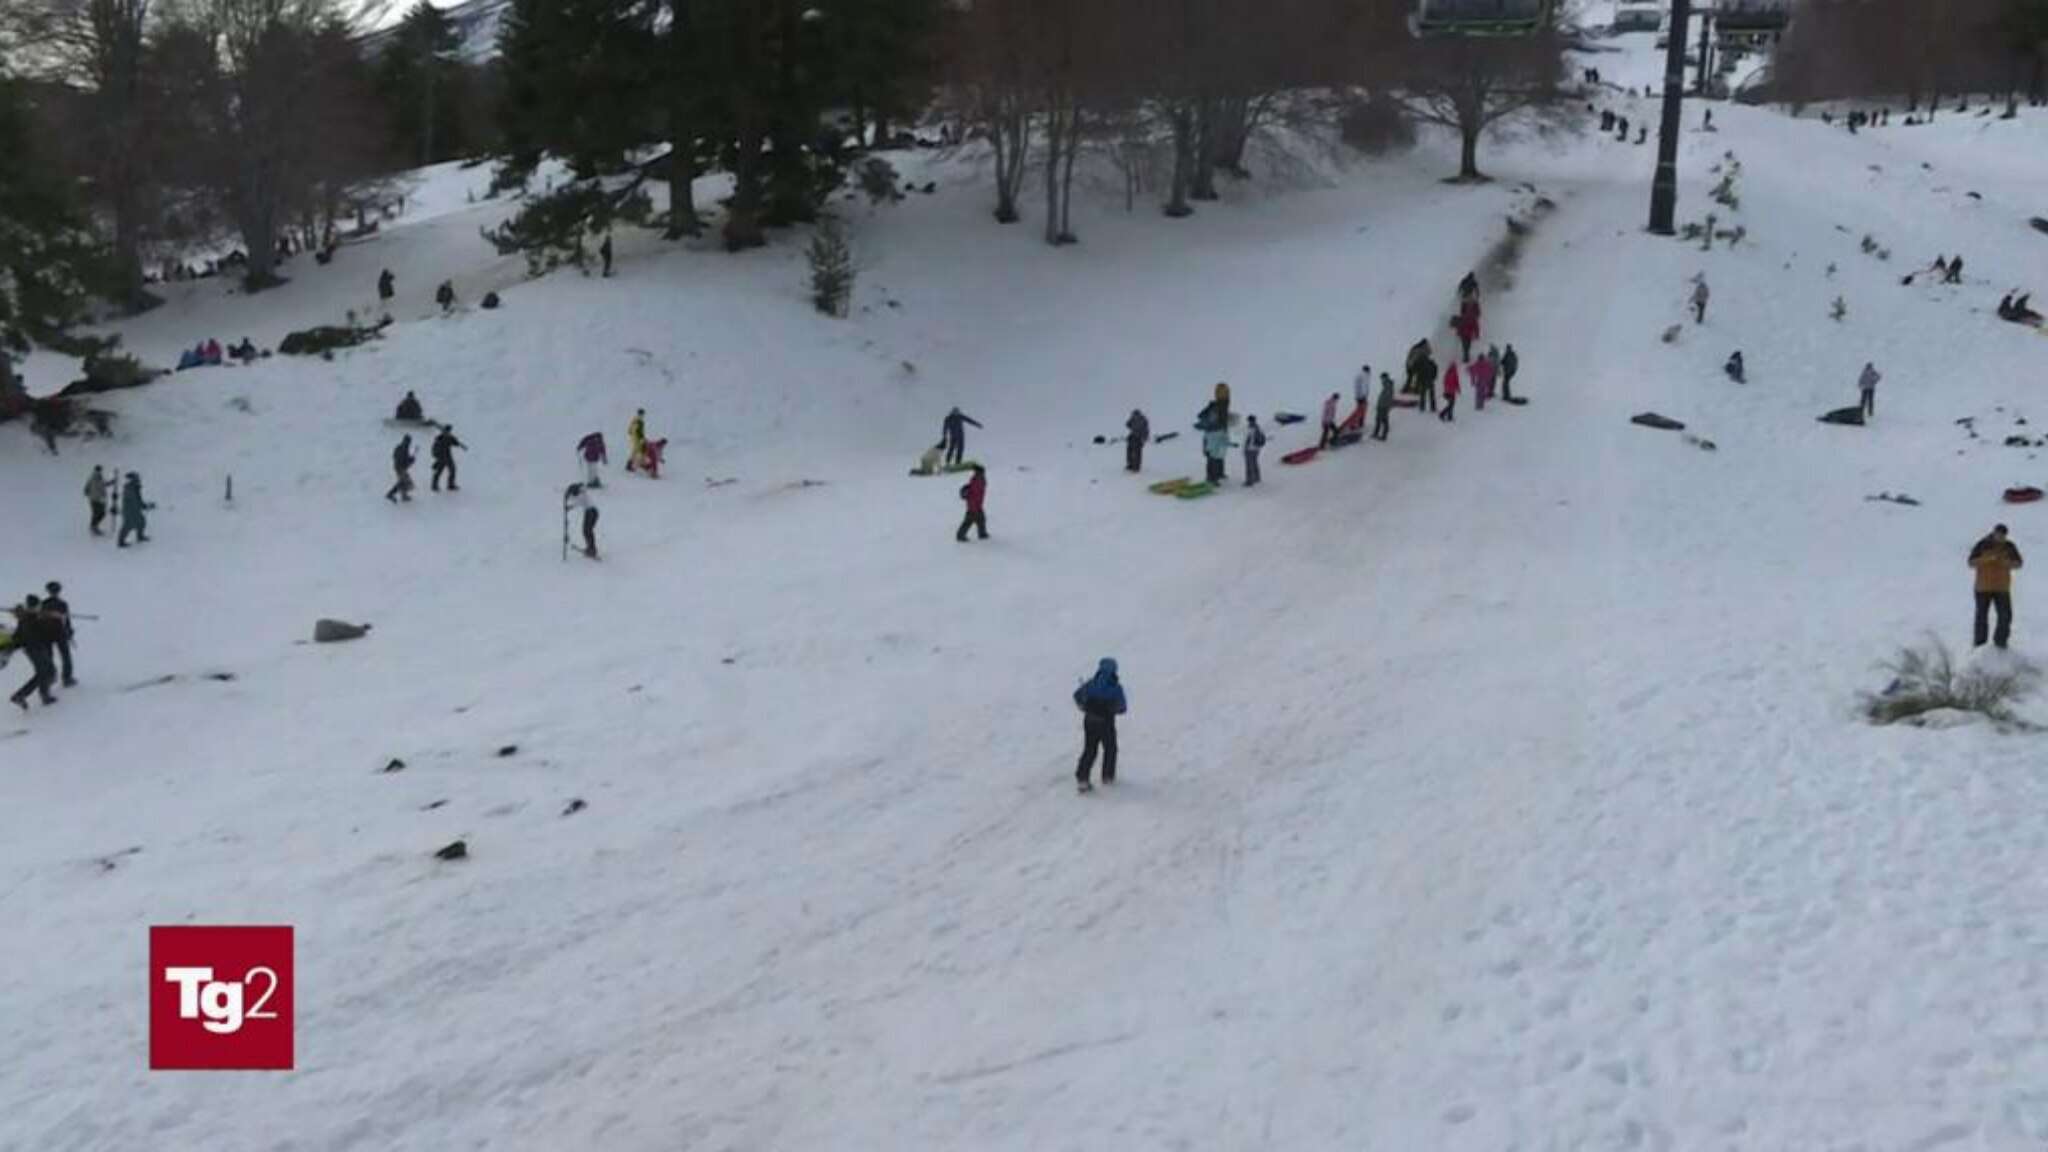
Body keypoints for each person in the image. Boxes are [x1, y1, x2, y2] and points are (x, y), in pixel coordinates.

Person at [1072, 657, 1127, 793]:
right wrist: (1113, 709)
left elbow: (1077, 695)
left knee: (1090, 749)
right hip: (1106, 722)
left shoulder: (1091, 683)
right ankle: (1108, 776)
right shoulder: (1116, 688)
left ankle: (1082, 778)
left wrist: (1084, 706)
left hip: (1089, 721)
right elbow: (1122, 707)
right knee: (1110, 748)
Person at [1970, 524, 2023, 649]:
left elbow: (2019, 564)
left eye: (2003, 536)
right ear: (1994, 533)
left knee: (2005, 616)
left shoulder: (2010, 547)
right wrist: (1987, 559)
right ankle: (1980, 644)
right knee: (1981, 617)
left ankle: (2000, 642)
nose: (2001, 538)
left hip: (2002, 588)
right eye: (1999, 535)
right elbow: (1971, 562)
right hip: (1983, 587)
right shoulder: (1982, 545)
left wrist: (2006, 563)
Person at [8, 596, 58, 711]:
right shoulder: (33, 618)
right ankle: (25, 695)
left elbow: (16, 635)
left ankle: (41, 694)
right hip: (37, 649)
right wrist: (51, 619)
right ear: (36, 606)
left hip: (33, 649)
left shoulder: (26, 618)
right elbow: (47, 632)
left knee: (47, 672)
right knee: (45, 673)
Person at [42, 581, 75, 687]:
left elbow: (66, 619)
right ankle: (66, 678)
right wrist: (69, 631)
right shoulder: (62, 604)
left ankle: (51, 676)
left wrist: (69, 630)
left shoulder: (44, 604)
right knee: (65, 656)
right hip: (58, 633)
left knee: (50, 657)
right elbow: (67, 620)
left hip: (48, 634)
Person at [566, 483, 600, 559]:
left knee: (587, 531)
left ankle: (592, 549)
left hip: (590, 512)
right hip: (593, 512)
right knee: (588, 531)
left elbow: (577, 501)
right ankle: (591, 548)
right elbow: (576, 497)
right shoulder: (582, 492)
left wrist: (569, 507)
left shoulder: (581, 495)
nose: (573, 494)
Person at [956, 464, 989, 542]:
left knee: (981, 519)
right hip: (973, 505)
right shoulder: (977, 481)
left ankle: (982, 533)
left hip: (978, 504)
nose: (983, 473)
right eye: (982, 472)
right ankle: (960, 535)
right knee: (969, 521)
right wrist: (974, 507)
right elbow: (973, 495)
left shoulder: (979, 479)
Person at [117, 472, 150, 546]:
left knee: (142, 522)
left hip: (136, 510)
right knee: (128, 525)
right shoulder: (129, 488)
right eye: (137, 478)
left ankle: (140, 536)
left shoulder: (136, 488)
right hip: (129, 510)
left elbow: (139, 499)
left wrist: (143, 505)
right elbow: (134, 500)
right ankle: (121, 541)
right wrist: (141, 505)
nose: (138, 480)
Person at [431, 427, 465, 492]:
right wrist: (437, 457)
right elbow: (434, 449)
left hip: (448, 457)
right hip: (441, 457)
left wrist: (455, 440)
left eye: (449, 432)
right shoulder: (439, 438)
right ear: (444, 431)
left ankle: (450, 485)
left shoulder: (449, 438)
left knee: (453, 470)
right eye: (447, 431)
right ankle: (434, 486)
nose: (448, 433)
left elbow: (455, 443)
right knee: (439, 471)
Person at [387, 436, 416, 503]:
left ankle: (404, 496)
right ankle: (390, 493)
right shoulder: (402, 448)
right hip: (400, 468)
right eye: (408, 441)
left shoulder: (403, 448)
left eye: (409, 442)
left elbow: (402, 458)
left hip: (400, 467)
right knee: (404, 482)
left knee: (404, 481)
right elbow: (401, 459)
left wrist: (410, 460)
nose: (409, 443)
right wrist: (410, 460)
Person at [84, 466, 109, 536]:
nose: (100, 471)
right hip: (96, 499)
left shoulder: (95, 477)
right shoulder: (96, 478)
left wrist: (87, 493)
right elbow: (101, 485)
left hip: (96, 499)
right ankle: (94, 527)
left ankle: (93, 526)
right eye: (99, 470)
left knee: (99, 513)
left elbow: (87, 487)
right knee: (99, 513)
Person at [1202, 420, 1228, 485]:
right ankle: (1213, 479)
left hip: (1212, 451)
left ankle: (1210, 478)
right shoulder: (1217, 433)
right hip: (1213, 451)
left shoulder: (1208, 433)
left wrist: (1205, 450)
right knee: (1213, 465)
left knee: (1211, 465)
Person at [1243, 416, 1266, 487]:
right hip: (1257, 449)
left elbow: (1248, 440)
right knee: (1255, 463)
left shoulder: (1251, 429)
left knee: (1249, 465)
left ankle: (1249, 481)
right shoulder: (1258, 428)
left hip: (1250, 449)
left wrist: (1245, 448)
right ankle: (1257, 477)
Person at [1374, 373, 1395, 441]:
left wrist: (1385, 406)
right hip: (1382, 405)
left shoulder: (1388, 385)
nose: (1381, 380)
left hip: (1384, 406)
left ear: (1385, 378)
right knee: (1379, 419)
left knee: (1384, 420)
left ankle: (1383, 436)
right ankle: (1376, 433)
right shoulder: (1386, 385)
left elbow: (1388, 397)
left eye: (1382, 378)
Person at [625, 409, 647, 473]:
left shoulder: (634, 419)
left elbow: (629, 430)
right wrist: (642, 438)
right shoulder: (639, 421)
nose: (643, 415)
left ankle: (635, 464)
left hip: (634, 438)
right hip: (637, 438)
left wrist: (632, 435)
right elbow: (638, 431)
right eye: (642, 414)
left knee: (637, 451)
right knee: (638, 451)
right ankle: (632, 465)